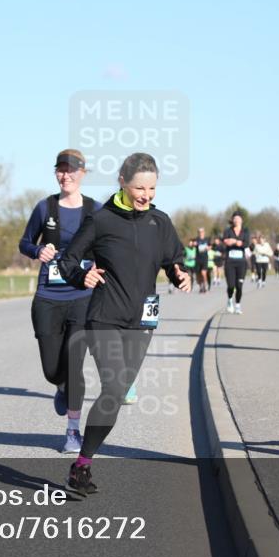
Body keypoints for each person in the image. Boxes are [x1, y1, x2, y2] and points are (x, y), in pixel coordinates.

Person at [59, 152, 191, 495]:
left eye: (151, 188)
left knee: (115, 397)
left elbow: (174, 260)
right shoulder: (101, 220)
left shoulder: (160, 222)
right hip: (104, 316)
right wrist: (81, 275)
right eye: (139, 187)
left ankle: (80, 465)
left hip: (142, 320)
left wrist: (180, 275)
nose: (146, 194)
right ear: (122, 182)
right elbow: (68, 261)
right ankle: (84, 464)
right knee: (116, 388)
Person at [18, 149, 100, 453]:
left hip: (82, 297)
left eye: (72, 170)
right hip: (48, 298)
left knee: (74, 362)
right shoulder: (45, 208)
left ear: (83, 173)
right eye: (61, 170)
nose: (66, 175)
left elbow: (107, 246)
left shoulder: (95, 211)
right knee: (52, 369)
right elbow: (24, 242)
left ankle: (72, 431)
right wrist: (36, 251)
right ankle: (60, 385)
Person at [222, 212, 251, 314]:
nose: (237, 220)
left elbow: (246, 243)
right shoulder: (228, 230)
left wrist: (234, 241)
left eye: (239, 218)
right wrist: (237, 242)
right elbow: (225, 241)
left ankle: (238, 305)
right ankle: (230, 300)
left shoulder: (245, 231)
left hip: (241, 263)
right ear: (232, 220)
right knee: (231, 285)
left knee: (239, 286)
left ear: (242, 220)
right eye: (235, 218)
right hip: (230, 262)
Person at [194, 227, 211, 293]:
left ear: (204, 232)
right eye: (199, 232)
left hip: (204, 258)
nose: (201, 233)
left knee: (203, 273)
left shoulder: (207, 239)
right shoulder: (196, 239)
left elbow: (211, 246)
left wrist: (208, 247)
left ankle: (205, 285)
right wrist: (194, 244)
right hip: (198, 259)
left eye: (202, 232)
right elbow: (192, 245)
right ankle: (201, 286)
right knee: (198, 274)